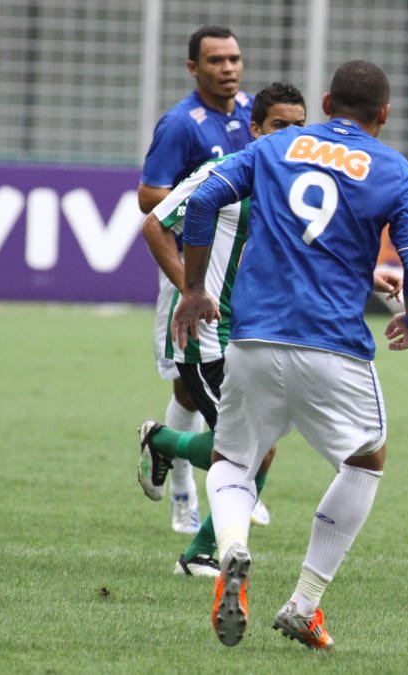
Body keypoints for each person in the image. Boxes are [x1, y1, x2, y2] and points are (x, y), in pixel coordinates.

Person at [172, 59, 408, 650]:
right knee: (365, 461)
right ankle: (304, 603)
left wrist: (193, 289)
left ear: (325, 104)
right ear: (384, 114)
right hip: (333, 345)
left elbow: (202, 201)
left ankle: (231, 545)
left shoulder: (275, 146)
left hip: (253, 338)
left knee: (232, 459)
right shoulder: (394, 169)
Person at [136, 82, 308, 578]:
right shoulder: (222, 174)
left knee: (251, 447)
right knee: (255, 450)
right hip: (207, 337)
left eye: (299, 127)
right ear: (255, 129)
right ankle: (198, 553)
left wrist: (369, 276)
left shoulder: (297, 186)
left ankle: (163, 441)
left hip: (255, 336)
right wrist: (190, 290)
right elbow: (154, 224)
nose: (289, 136)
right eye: (278, 126)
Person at [138, 25, 254, 535]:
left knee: (223, 381)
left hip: (239, 272)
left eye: (234, 59)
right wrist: (205, 197)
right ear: (193, 68)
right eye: (215, 60)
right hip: (192, 270)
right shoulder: (181, 124)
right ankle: (188, 494)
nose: (228, 68)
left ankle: (231, 476)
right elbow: (150, 197)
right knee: (191, 388)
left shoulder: (252, 112)